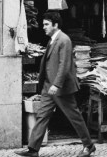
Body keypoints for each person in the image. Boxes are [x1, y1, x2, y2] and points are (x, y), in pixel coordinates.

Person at [15, 12, 95, 157]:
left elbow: (64, 64)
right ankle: (33, 149)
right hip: (48, 86)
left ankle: (88, 145)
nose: (43, 27)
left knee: (74, 117)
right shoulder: (53, 39)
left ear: (55, 25)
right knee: (42, 115)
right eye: (43, 24)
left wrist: (57, 84)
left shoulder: (64, 40)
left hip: (61, 87)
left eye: (46, 24)